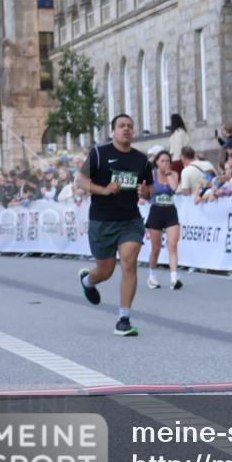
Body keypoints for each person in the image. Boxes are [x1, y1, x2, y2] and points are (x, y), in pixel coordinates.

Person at [76, 114, 154, 336]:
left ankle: (123, 319)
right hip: (102, 221)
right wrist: (104, 190)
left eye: (130, 126)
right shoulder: (100, 153)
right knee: (106, 271)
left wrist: (145, 192)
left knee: (129, 263)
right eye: (121, 126)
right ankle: (88, 281)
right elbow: (80, 181)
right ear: (113, 131)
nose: (126, 129)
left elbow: (151, 188)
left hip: (130, 220)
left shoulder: (141, 160)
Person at [145, 150, 183, 291]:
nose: (165, 163)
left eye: (168, 161)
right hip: (156, 211)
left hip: (170, 211)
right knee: (155, 248)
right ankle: (152, 276)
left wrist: (168, 174)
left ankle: (174, 278)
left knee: (172, 245)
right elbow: (147, 192)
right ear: (156, 162)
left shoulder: (173, 174)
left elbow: (173, 188)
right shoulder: (152, 175)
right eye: (162, 161)